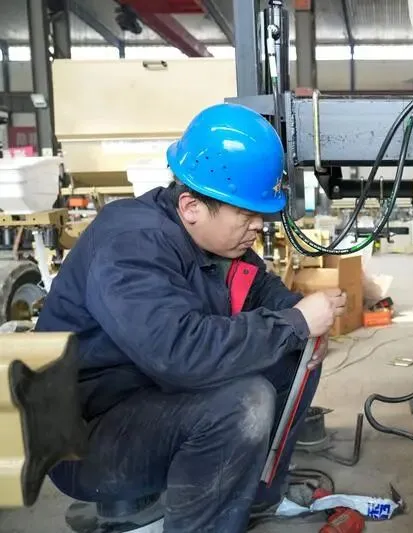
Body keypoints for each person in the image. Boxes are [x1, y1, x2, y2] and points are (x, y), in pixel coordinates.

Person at [35, 102, 345, 533]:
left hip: (147, 397)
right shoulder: (131, 245)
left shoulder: (214, 243)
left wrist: (300, 319)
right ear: (191, 206)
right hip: (85, 436)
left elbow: (259, 289)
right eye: (247, 214)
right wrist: (295, 323)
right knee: (245, 404)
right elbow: (179, 352)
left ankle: (255, 497)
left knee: (294, 354)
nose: (258, 226)